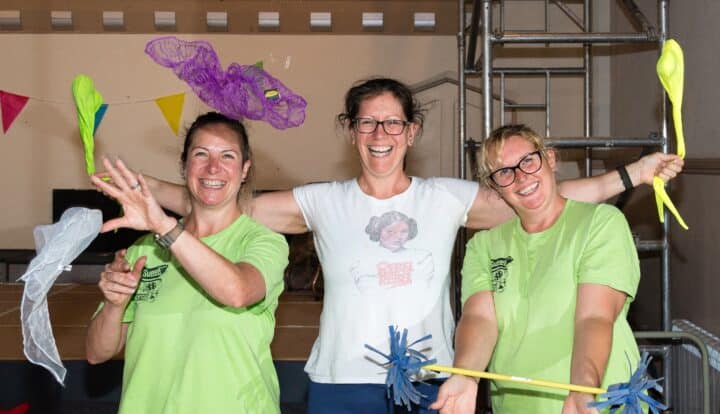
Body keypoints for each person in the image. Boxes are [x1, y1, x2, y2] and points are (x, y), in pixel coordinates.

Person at [102, 78, 682, 414]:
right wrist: (142, 190)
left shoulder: (446, 197)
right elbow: (216, 197)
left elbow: (540, 194)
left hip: (432, 379)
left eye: (392, 123)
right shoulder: (321, 201)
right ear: (351, 131)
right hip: (339, 381)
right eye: (367, 123)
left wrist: (629, 175)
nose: (380, 134)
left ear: (411, 132)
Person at [431, 124, 645, 414]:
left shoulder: (601, 222)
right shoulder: (483, 246)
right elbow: (479, 319)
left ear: (551, 160)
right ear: (494, 186)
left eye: (528, 161)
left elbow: (594, 317)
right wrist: (466, 375)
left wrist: (583, 390)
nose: (521, 177)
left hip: (596, 404)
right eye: (504, 172)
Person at [85, 112, 289, 414]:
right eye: (201, 154)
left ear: (244, 169)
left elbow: (237, 292)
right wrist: (115, 305)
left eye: (228, 156)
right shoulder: (144, 251)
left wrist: (165, 228)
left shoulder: (262, 242)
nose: (213, 168)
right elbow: (96, 353)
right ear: (184, 165)